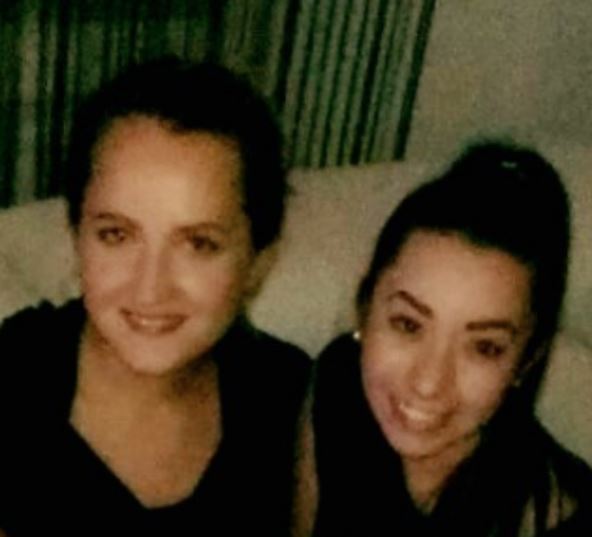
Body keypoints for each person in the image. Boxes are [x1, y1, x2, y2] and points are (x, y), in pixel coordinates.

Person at [0, 57, 311, 536]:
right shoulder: (10, 381)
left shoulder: (294, 401)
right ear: (76, 237)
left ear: (259, 260)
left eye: (199, 244)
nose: (150, 288)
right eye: (116, 235)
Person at [298, 142, 592, 536]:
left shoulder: (552, 514)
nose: (428, 383)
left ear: (527, 360)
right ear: (365, 307)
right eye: (408, 325)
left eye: (484, 348)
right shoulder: (337, 386)